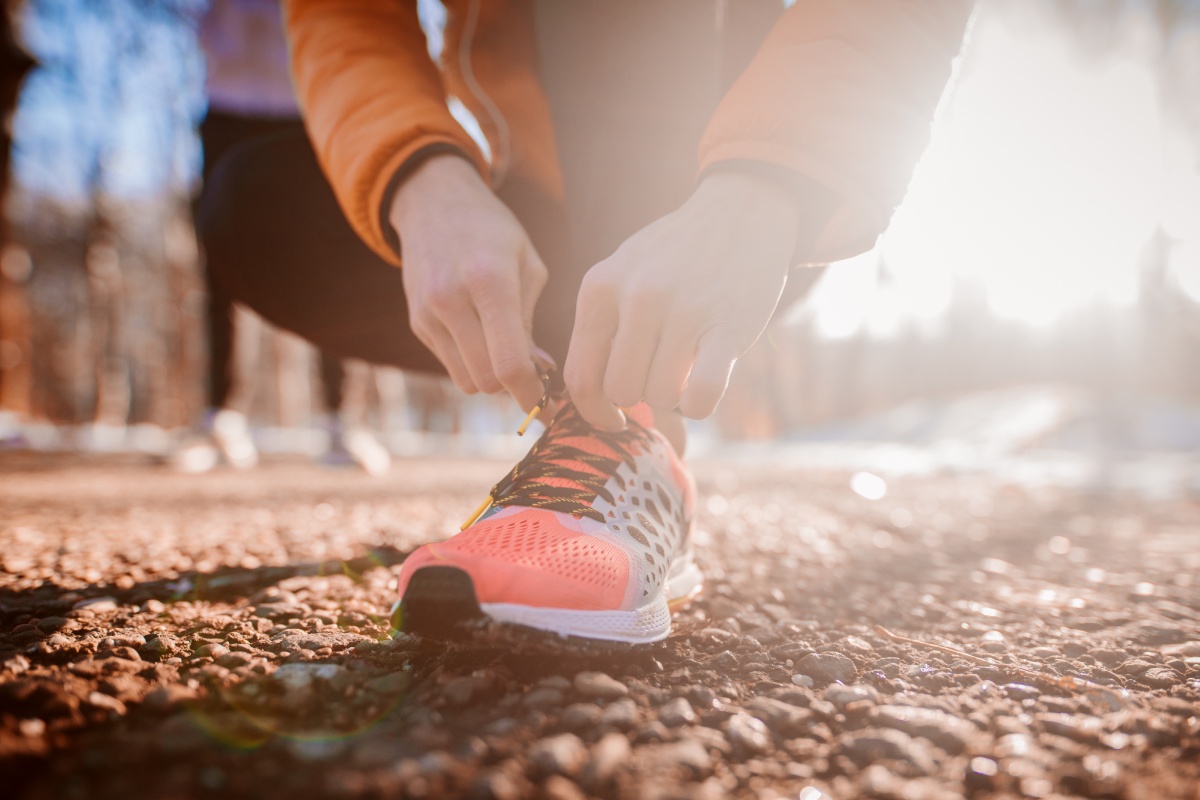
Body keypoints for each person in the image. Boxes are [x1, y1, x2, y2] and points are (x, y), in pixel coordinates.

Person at [207, 0, 974, 642]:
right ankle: (587, 424)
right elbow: (344, 15)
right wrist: (418, 177)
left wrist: (770, 182)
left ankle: (638, 434)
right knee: (255, 201)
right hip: (532, 202)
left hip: (740, 215)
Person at [178, 0, 391, 476]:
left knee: (337, 264)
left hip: (312, 104)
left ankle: (341, 420)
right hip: (228, 104)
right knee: (219, 266)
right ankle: (221, 420)